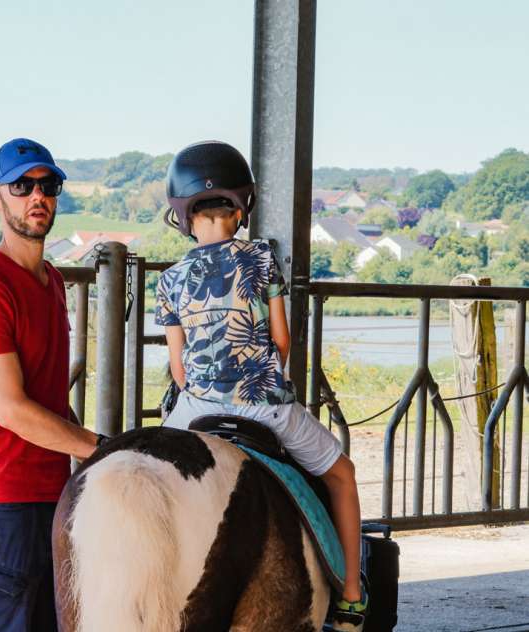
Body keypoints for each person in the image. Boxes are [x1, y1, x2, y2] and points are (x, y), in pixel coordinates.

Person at [155, 140, 368, 632]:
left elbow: (179, 368)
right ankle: (352, 597)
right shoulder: (263, 259)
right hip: (265, 407)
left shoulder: (169, 280)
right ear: (241, 204)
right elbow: (281, 340)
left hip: (195, 409)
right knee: (342, 474)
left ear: (183, 214)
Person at [0, 137, 100, 632]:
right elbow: (11, 408)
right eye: (21, 186)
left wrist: (92, 464)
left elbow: (50, 401)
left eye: (48, 184)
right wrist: (99, 449)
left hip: (53, 495)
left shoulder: (52, 281)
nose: (37, 196)